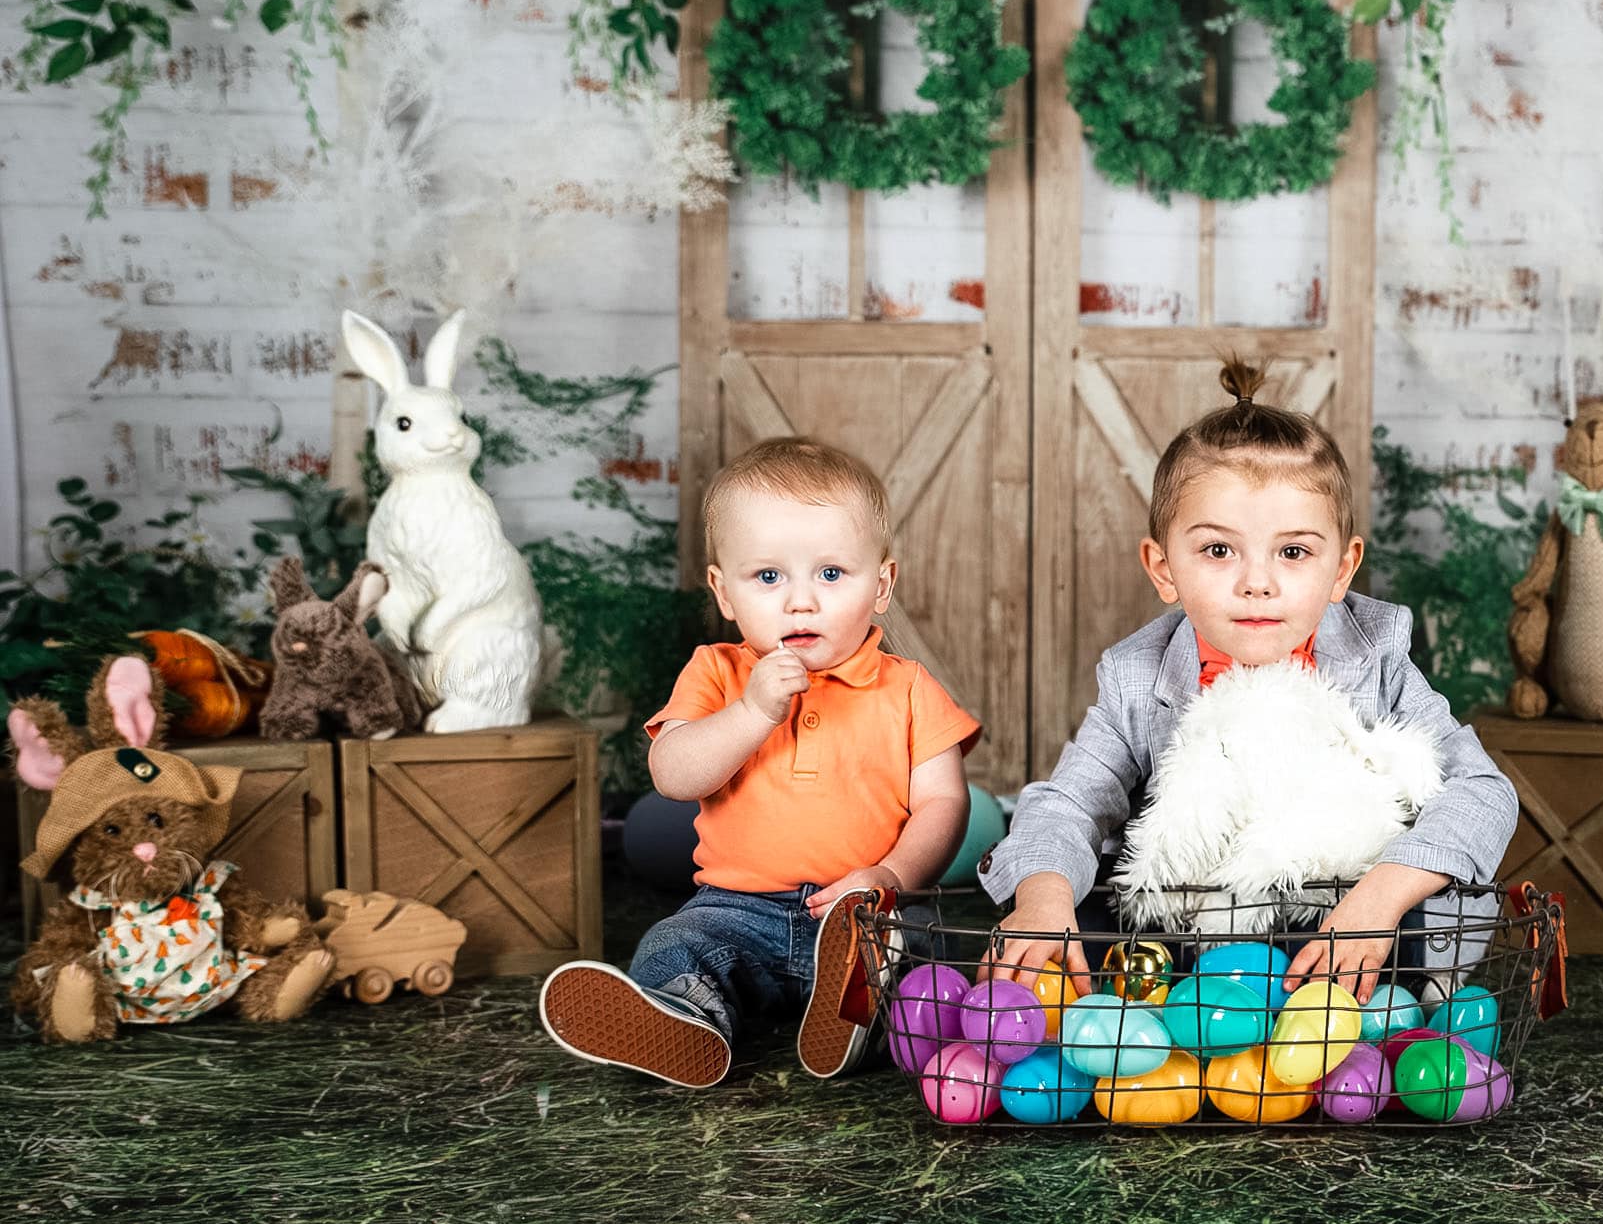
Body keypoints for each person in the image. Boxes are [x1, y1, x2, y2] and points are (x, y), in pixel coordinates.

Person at [981, 357, 1516, 1002]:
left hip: (1342, 913)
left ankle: (1363, 995)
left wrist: (1379, 898)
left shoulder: (1376, 660)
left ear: (1342, 570)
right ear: (1163, 567)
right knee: (1066, 915)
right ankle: (923, 953)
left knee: (1443, 911)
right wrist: (1043, 900)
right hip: (1189, 927)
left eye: (1293, 552)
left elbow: (1482, 790)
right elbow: (1069, 800)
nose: (1256, 582)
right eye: (1217, 550)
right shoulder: (1138, 675)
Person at [541, 437, 981, 1088]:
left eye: (831, 574)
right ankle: (685, 1018)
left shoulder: (909, 686)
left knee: (928, 960)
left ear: (882, 584)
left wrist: (888, 874)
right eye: (768, 577)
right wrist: (751, 712)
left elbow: (945, 802)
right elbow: (674, 772)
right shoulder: (717, 672)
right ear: (724, 591)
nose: (800, 601)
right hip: (736, 910)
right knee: (673, 943)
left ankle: (862, 1020)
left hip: (865, 911)